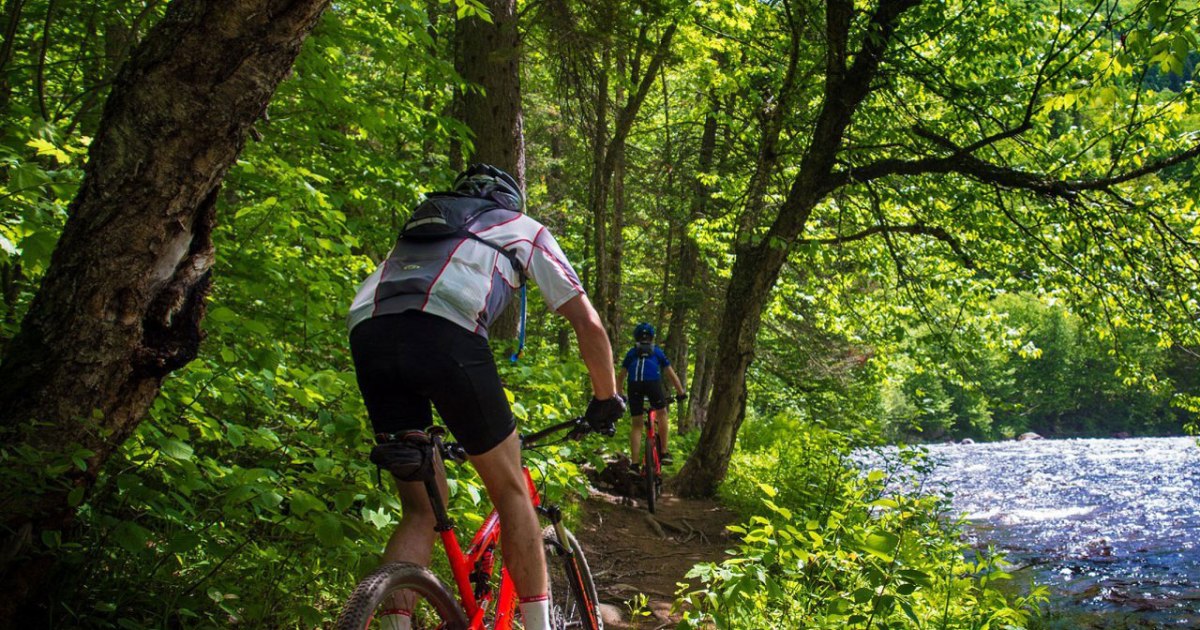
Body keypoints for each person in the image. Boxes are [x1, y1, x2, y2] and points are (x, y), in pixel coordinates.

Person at [346, 164, 624, 630]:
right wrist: (605, 399)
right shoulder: (522, 228)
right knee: (512, 488)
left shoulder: (420, 232)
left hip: (369, 335)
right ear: (510, 201)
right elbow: (587, 323)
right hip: (445, 333)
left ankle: (396, 622)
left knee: (418, 507)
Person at [617, 322, 686, 467]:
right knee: (662, 413)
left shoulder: (631, 353)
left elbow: (621, 376)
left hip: (634, 385)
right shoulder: (657, 352)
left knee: (637, 425)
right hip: (652, 384)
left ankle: (634, 464)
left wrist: (620, 394)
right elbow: (671, 375)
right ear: (652, 337)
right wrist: (681, 393)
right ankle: (664, 452)